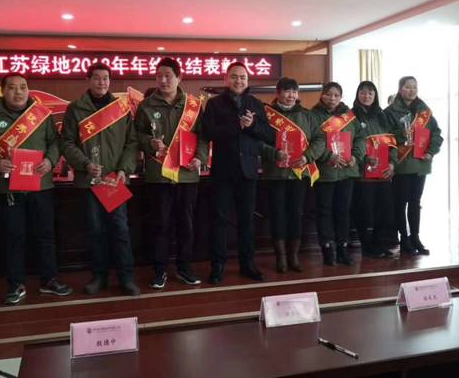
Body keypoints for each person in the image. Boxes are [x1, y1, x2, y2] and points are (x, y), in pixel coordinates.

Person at [0, 73, 72, 305]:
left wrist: (50, 160)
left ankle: (49, 280)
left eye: (23, 87)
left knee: (46, 235)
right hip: (9, 188)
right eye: (12, 87)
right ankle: (15, 284)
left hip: (41, 185)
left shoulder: (41, 114)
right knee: (13, 237)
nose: (18, 92)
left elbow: (55, 142)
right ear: (3, 90)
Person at [60, 63, 140, 296]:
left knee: (120, 229)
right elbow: (66, 142)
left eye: (105, 78)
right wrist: (85, 164)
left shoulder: (121, 108)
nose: (101, 82)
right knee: (95, 230)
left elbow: (131, 142)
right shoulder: (75, 109)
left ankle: (126, 277)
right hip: (89, 181)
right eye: (96, 78)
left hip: (114, 180)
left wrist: (124, 168)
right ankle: (99, 276)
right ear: (88, 80)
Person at [135, 57, 208, 290]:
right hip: (159, 175)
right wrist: (150, 143)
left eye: (168, 75)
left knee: (186, 224)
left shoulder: (193, 105)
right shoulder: (146, 106)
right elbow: (137, 136)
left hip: (187, 174)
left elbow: (203, 137)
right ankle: (160, 271)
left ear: (179, 77)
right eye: (159, 76)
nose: (163, 80)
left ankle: (185, 268)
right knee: (160, 225)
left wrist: (200, 158)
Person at [202, 62, 274, 284]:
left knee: (247, 221)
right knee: (219, 220)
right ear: (226, 79)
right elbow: (208, 132)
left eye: (243, 77)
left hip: (248, 171)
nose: (238, 81)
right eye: (234, 76)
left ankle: (248, 264)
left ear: (248, 80)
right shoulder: (214, 104)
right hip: (223, 171)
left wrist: (251, 126)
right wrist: (237, 125)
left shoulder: (256, 104)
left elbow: (269, 135)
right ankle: (217, 266)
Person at [261, 77, 324, 273]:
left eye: (294, 92)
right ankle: (280, 257)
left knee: (296, 214)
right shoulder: (265, 115)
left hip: (299, 173)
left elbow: (320, 139)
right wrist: (274, 153)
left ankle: (293, 255)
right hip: (275, 174)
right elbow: (257, 141)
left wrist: (307, 157)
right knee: (277, 214)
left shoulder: (307, 115)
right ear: (278, 93)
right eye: (287, 91)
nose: (291, 96)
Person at [384, 76, 443, 255]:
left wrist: (431, 152)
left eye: (414, 87)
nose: (412, 90)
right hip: (401, 163)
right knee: (400, 202)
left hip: (420, 163)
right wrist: (401, 136)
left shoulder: (424, 110)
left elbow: (436, 133)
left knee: (415, 202)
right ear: (400, 89)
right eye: (408, 87)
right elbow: (386, 137)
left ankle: (415, 237)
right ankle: (404, 239)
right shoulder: (390, 112)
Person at [310, 82, 365, 266]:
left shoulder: (349, 116)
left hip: (347, 171)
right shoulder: (313, 115)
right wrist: (328, 156)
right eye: (328, 94)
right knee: (324, 211)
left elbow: (360, 138)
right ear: (322, 95)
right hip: (325, 172)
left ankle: (342, 248)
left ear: (341, 97)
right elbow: (311, 142)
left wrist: (356, 156)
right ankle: (327, 249)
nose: (332, 98)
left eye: (336, 95)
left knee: (343, 211)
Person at [350, 81, 398, 258]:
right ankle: (367, 246)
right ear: (358, 95)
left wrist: (392, 163)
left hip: (383, 173)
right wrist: (364, 160)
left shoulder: (382, 116)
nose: (367, 96)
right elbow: (349, 144)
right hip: (362, 174)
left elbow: (393, 143)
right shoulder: (351, 116)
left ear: (375, 95)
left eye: (370, 93)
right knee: (364, 212)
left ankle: (379, 244)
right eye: (363, 92)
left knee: (385, 211)